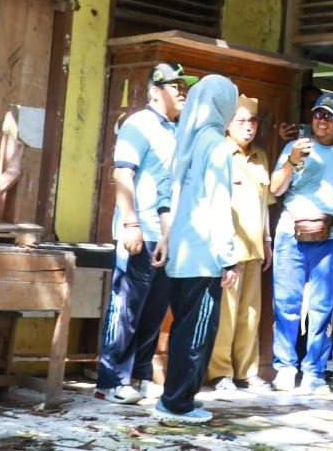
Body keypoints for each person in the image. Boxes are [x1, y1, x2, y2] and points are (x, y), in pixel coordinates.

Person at [95, 63, 189, 403]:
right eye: (174, 85)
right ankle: (112, 380)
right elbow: (123, 175)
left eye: (183, 86)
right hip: (139, 229)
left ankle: (140, 373)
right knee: (126, 308)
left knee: (154, 309)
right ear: (155, 91)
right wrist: (130, 223)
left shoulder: (177, 130)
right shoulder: (138, 125)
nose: (182, 91)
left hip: (164, 234)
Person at [152, 76, 241, 424]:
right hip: (204, 256)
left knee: (184, 329)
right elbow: (219, 204)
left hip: (181, 253)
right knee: (198, 332)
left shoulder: (184, 140)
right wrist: (228, 258)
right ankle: (178, 403)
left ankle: (176, 397)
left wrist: (167, 239)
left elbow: (166, 194)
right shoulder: (217, 146)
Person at [270, 91, 333, 394]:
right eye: (319, 114)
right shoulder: (294, 147)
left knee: (323, 308)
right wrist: (291, 161)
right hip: (290, 233)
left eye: (330, 117)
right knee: (286, 303)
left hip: (332, 236)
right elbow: (275, 189)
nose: (323, 121)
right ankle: (285, 367)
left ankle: (314, 372)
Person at [209, 95, 273, 393]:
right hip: (228, 249)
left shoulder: (260, 156)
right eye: (241, 121)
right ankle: (220, 372)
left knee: (250, 313)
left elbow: (265, 204)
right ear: (227, 125)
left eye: (253, 121)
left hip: (255, 248)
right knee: (227, 313)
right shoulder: (220, 153)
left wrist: (267, 240)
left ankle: (246, 372)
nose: (248, 127)